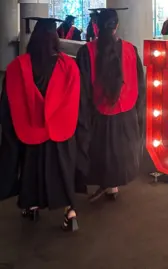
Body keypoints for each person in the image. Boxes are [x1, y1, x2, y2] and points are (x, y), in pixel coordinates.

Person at [0, 17, 83, 231]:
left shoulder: (17, 67)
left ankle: (32, 205)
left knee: (32, 169)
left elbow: (8, 103)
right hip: (61, 130)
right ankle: (70, 212)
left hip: (30, 129)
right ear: (55, 38)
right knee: (63, 169)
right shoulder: (69, 66)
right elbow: (77, 100)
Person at [75, 8, 146, 202]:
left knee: (101, 151)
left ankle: (106, 184)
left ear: (96, 26)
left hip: (98, 113)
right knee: (118, 151)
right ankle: (113, 186)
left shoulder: (86, 51)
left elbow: (82, 89)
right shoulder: (131, 50)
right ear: (117, 26)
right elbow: (140, 84)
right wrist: (138, 111)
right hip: (126, 112)